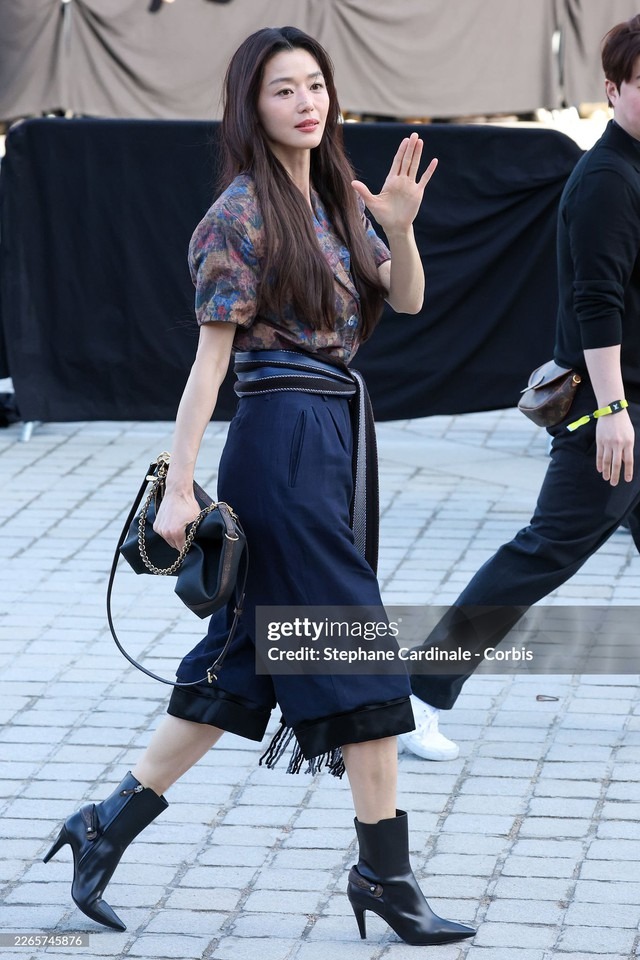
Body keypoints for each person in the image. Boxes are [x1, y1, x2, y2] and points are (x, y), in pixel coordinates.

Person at [42, 26, 475, 946]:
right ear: (252, 106)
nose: (306, 102)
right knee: (359, 651)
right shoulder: (235, 217)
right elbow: (209, 369)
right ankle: (386, 878)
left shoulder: (337, 197)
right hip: (278, 443)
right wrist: (179, 488)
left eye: (315, 84)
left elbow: (404, 299)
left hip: (333, 436)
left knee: (243, 660)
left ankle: (102, 827)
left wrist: (399, 226)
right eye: (284, 90)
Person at [400, 13, 640, 761]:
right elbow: (597, 302)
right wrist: (613, 410)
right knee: (542, 554)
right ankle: (418, 694)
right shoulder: (608, 179)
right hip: (612, 412)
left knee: (543, 552)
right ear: (613, 89)